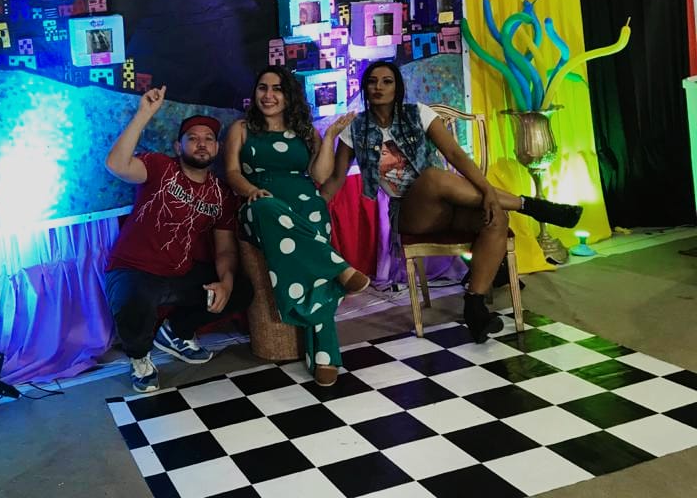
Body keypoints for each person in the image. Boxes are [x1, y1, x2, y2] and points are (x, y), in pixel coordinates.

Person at [327, 60, 583, 343]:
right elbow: (337, 178)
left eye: (387, 81)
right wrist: (314, 201)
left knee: (496, 218)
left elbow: (455, 154)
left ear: (397, 87)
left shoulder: (418, 113)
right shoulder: (356, 129)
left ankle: (474, 306)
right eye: (372, 82)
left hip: (448, 206)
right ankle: (530, 205)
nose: (379, 87)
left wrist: (488, 193)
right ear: (365, 88)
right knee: (433, 177)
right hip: (410, 213)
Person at [224, 66, 371, 388]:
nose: (268, 95)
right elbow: (232, 172)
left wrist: (329, 137)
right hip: (259, 205)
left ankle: (324, 357)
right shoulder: (241, 129)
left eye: (277, 89)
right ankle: (340, 270)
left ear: (289, 96)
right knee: (267, 206)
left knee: (315, 226)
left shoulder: (304, 131)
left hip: (305, 203)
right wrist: (251, 191)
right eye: (263, 88)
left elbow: (319, 176)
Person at [104, 86, 253, 393]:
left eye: (208, 138)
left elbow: (225, 249)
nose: (202, 144)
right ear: (178, 146)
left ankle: (175, 332)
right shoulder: (160, 167)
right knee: (133, 301)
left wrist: (225, 283)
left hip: (179, 272)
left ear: (217, 148)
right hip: (134, 268)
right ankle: (139, 358)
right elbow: (117, 165)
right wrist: (144, 114)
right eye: (193, 138)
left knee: (241, 289)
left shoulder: (221, 194)